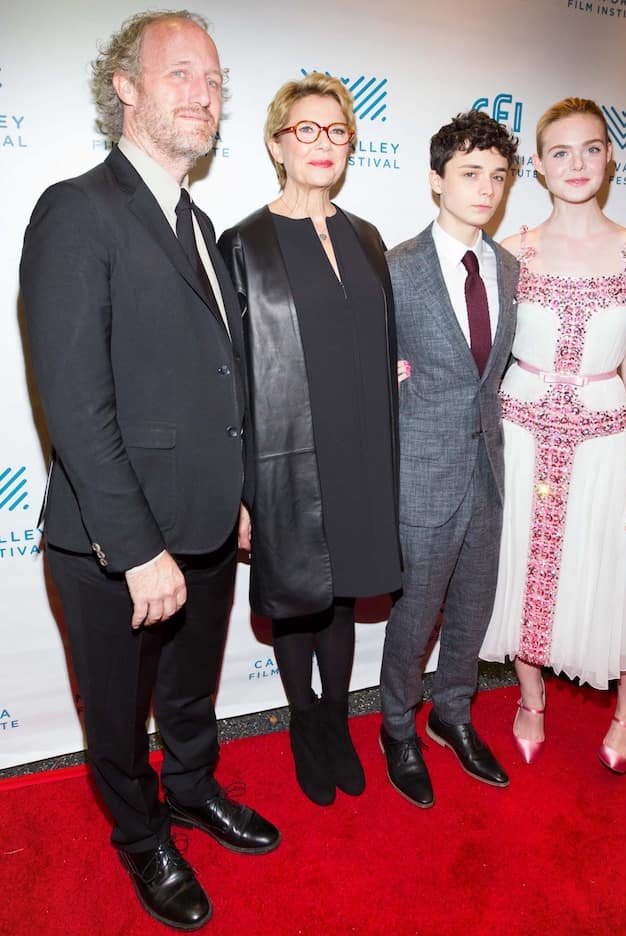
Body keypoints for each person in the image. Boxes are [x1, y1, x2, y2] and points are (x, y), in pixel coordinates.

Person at [20, 11, 279, 931]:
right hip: (112, 547)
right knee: (120, 718)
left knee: (190, 691)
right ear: (124, 87)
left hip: (205, 525)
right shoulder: (76, 209)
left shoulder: (201, 225)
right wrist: (135, 551)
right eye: (179, 75)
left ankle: (197, 789)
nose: (203, 96)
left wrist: (240, 495)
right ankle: (140, 837)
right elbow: (75, 404)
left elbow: (217, 380)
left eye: (213, 81)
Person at [217, 74, 402, 806]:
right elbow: (229, 378)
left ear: (350, 146)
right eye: (307, 130)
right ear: (277, 144)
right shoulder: (244, 243)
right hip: (284, 455)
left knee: (346, 594)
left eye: (337, 131)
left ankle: (337, 720)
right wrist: (239, 491)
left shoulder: (367, 236)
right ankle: (304, 722)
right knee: (297, 596)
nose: (323, 143)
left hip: (361, 449)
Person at [480, 97, 626, 775]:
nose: (577, 164)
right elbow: (489, 356)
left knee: (616, 572)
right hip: (521, 433)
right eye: (560, 152)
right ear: (538, 165)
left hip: (606, 437)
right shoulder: (511, 249)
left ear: (611, 157)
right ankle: (530, 700)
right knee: (520, 566)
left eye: (591, 148)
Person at [378, 112, 520, 808]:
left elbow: (489, 375)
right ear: (436, 181)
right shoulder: (398, 268)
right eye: (470, 173)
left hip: (489, 470)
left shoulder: (511, 268)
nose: (485, 188)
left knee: (471, 609)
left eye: (497, 175)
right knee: (414, 616)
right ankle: (397, 728)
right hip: (421, 476)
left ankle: (452, 715)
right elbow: (373, 374)